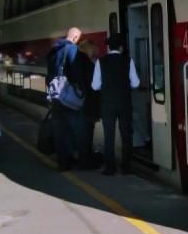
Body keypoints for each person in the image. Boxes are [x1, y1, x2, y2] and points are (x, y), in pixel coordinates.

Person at [93, 32, 140, 175]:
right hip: (124, 103)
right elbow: (136, 83)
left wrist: (108, 88)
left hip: (107, 104)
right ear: (121, 48)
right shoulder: (128, 61)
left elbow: (95, 86)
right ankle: (126, 166)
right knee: (126, 135)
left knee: (109, 135)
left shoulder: (100, 62)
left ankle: (110, 168)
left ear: (109, 48)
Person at [46, 27, 85, 172]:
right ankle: (79, 159)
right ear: (75, 38)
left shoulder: (54, 49)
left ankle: (63, 162)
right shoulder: (72, 49)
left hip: (55, 95)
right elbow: (76, 72)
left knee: (59, 131)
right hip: (68, 96)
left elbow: (49, 73)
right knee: (76, 129)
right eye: (78, 38)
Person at [76, 37, 102, 169]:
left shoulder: (78, 62)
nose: (96, 53)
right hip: (87, 103)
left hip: (81, 102)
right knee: (87, 132)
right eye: (95, 50)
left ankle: (84, 159)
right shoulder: (87, 64)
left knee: (85, 131)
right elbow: (91, 85)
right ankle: (85, 162)